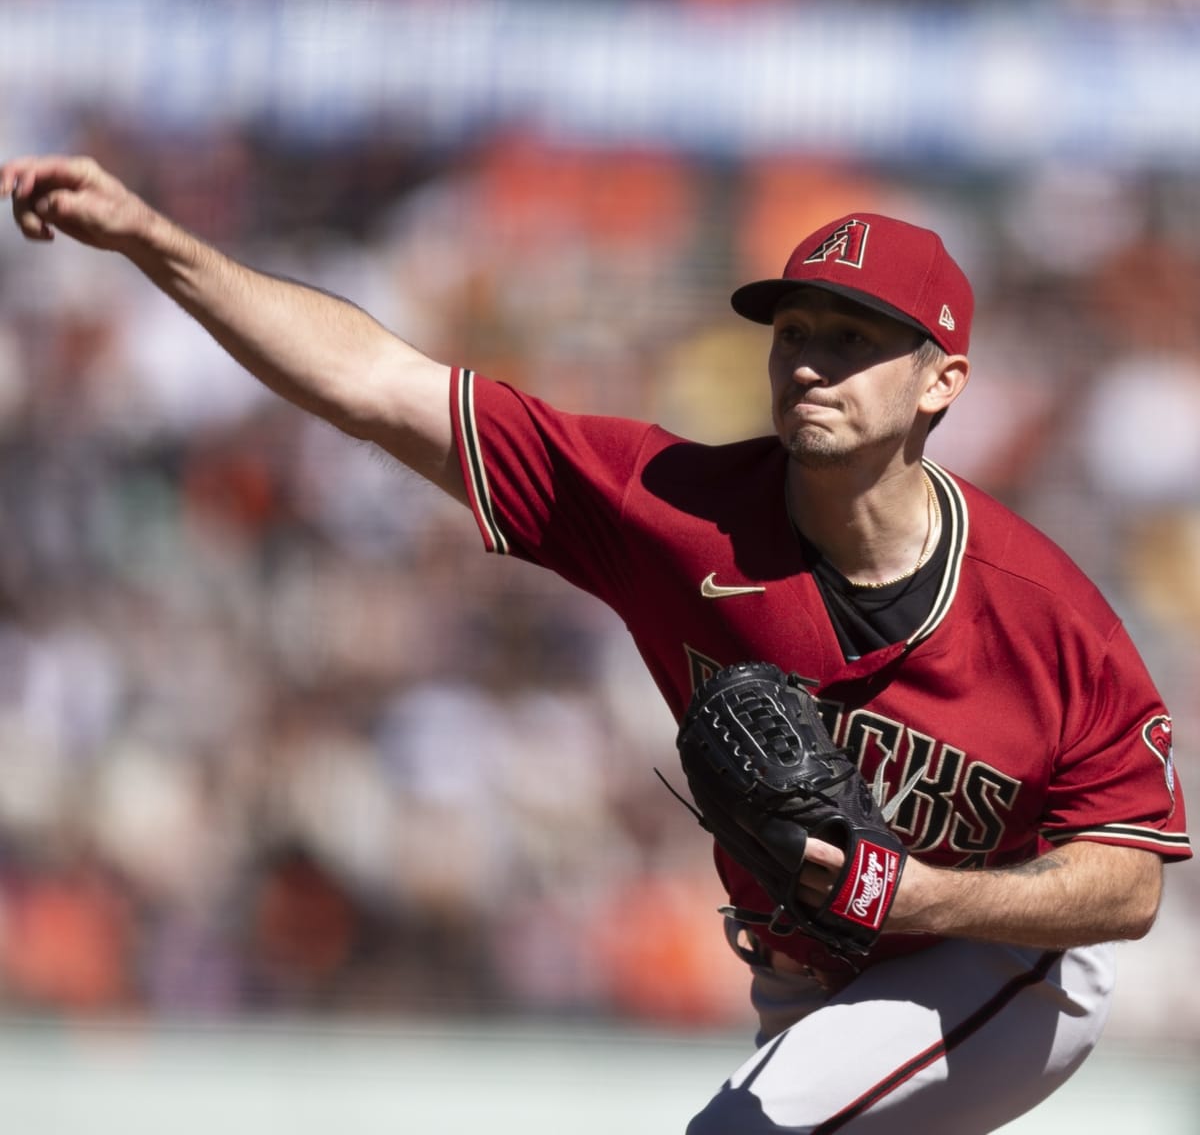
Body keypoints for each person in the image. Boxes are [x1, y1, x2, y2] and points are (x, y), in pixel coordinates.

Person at [2, 155, 1191, 1133]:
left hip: (1011, 964)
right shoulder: (670, 510)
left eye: (858, 337)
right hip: (803, 982)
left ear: (945, 383)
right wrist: (156, 239)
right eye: (797, 329)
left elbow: (1128, 888)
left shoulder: (1048, 615)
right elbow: (379, 386)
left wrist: (925, 894)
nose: (813, 359)